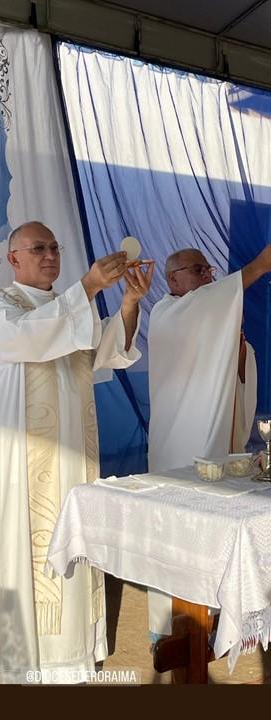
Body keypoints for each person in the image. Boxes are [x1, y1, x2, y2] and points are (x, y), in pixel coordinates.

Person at [0, 220, 149, 683]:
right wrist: (88, 286)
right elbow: (30, 338)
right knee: (31, 561)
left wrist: (129, 303)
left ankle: (72, 663)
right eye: (39, 248)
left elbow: (105, 354)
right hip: (24, 474)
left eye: (55, 247)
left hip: (70, 465)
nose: (51, 255)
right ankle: (25, 670)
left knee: (71, 563)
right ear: (13, 259)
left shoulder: (69, 309)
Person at [144, 244, 271, 644]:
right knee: (173, 537)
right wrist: (260, 266)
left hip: (214, 443)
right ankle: (166, 627)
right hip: (176, 447)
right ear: (173, 279)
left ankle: (214, 618)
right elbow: (209, 305)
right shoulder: (168, 313)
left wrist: (234, 351)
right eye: (198, 271)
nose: (208, 277)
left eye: (208, 270)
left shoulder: (207, 312)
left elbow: (240, 371)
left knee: (211, 536)